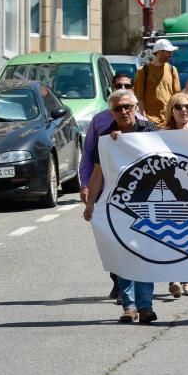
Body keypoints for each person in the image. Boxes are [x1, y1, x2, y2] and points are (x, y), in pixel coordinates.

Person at [82, 89, 160, 324]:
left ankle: (146, 306)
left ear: (136, 108)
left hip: (148, 203)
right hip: (117, 205)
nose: (124, 111)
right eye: (118, 108)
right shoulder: (105, 137)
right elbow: (97, 173)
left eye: (128, 106)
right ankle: (129, 306)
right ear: (111, 112)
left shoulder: (150, 130)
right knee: (123, 254)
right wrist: (90, 204)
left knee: (145, 255)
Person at [79, 72, 133, 302]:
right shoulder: (100, 121)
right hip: (106, 189)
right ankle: (118, 282)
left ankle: (131, 291)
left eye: (127, 85)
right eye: (118, 85)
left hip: (136, 193)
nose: (122, 88)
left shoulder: (144, 122)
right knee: (112, 238)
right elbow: (90, 154)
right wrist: (85, 185)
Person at [162, 92, 188, 298]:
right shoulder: (162, 134)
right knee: (172, 235)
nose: (184, 110)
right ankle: (173, 278)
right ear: (171, 110)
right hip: (171, 190)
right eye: (178, 107)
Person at [134, 39, 181, 128]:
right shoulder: (143, 71)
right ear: (159, 52)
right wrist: (143, 118)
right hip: (150, 120)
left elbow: (177, 96)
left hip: (168, 120)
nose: (171, 54)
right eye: (168, 52)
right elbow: (139, 98)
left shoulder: (172, 69)